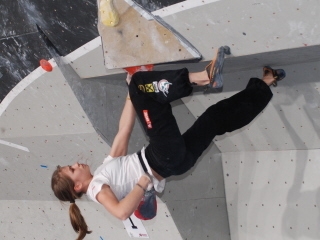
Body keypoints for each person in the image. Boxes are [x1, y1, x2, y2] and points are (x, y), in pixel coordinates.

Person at [51, 62, 286, 240]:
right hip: (162, 155)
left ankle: (266, 83)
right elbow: (122, 213)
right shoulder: (96, 189)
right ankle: (203, 77)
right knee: (141, 84)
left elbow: (123, 132)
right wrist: (142, 185)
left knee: (215, 118)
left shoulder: (102, 173)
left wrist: (131, 95)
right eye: (72, 170)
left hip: (176, 162)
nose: (76, 164)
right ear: (77, 186)